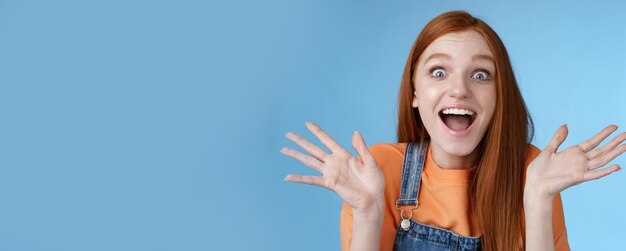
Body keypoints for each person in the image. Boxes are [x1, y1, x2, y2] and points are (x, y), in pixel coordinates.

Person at [280, 10, 624, 251]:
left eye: (480, 75)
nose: (459, 90)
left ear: (499, 94)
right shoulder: (379, 172)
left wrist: (537, 197)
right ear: (414, 93)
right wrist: (368, 210)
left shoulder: (532, 172)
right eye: (439, 72)